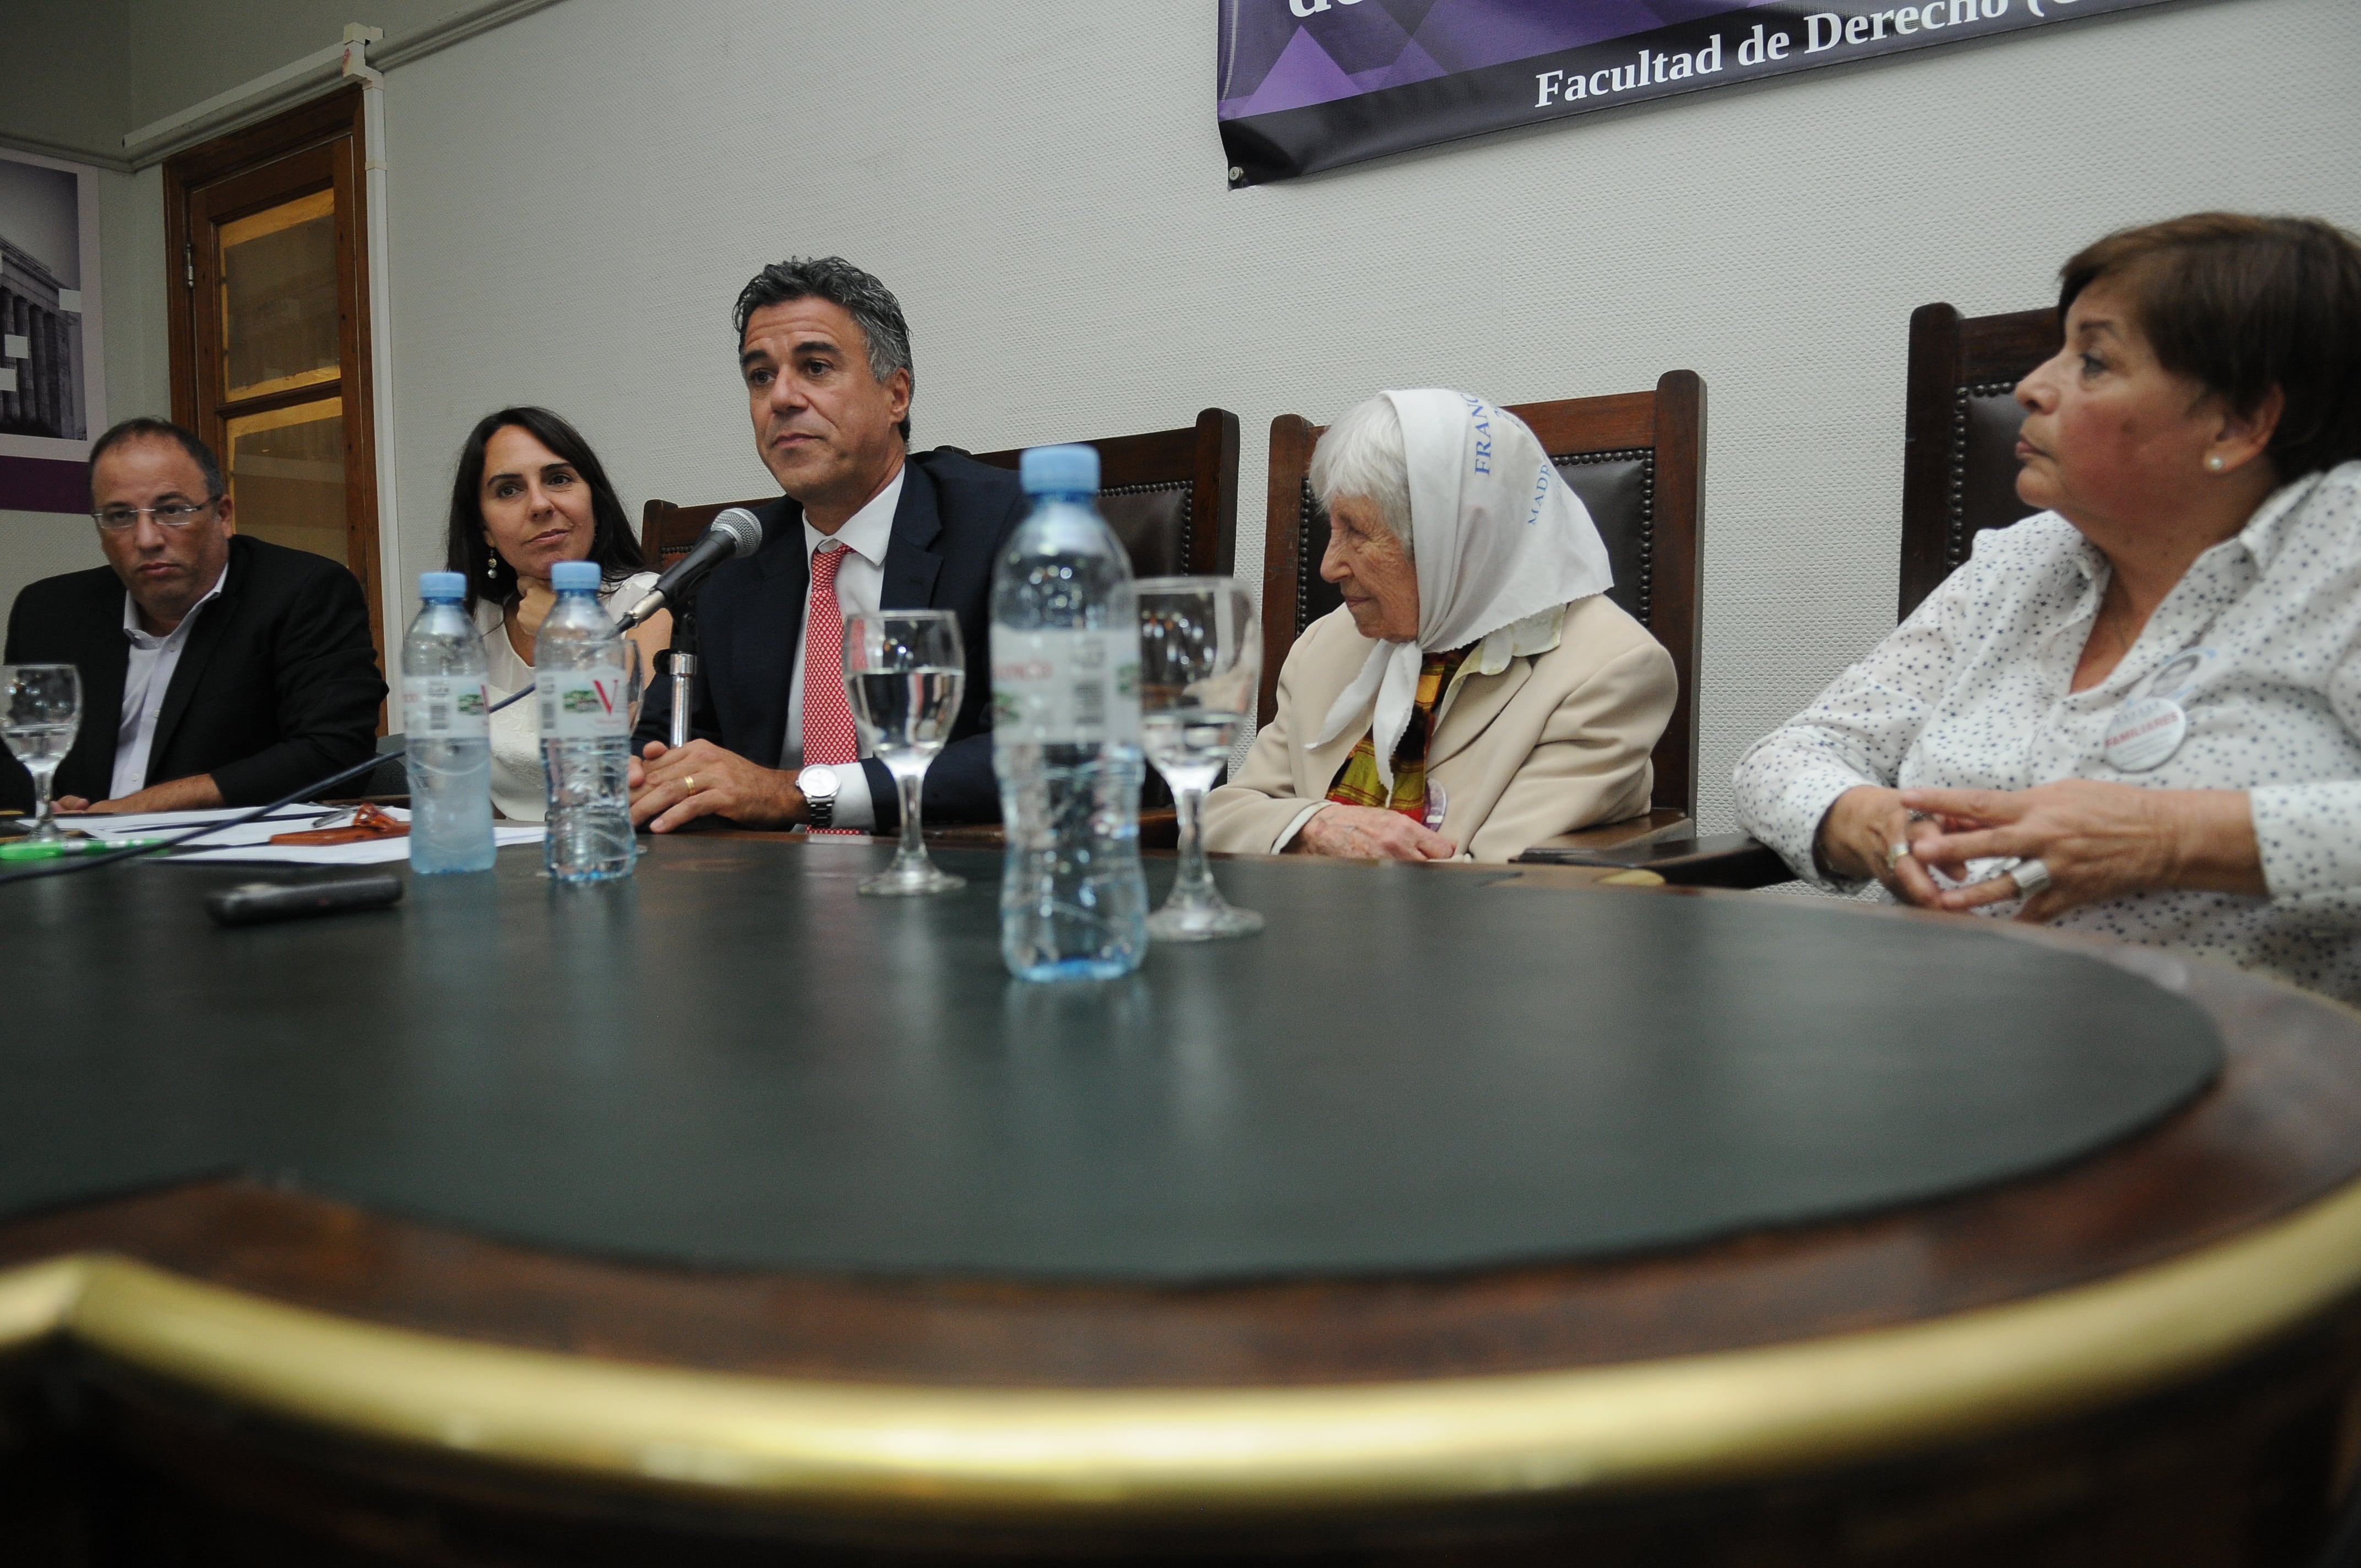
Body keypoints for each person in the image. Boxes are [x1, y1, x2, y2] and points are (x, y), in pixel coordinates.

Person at [1734, 213, 2361, 1000]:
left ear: (2238, 424)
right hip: (1930, 1023)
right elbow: (1785, 756)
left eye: (2092, 361)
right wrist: (1865, 819)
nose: (2031, 385)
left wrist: (2171, 837)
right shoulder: (2024, 560)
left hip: (2226, 1051)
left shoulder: (2340, 553)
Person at [628, 257, 1026, 835]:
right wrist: (643, 776)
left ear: (896, 394)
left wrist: (794, 793)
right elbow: (667, 739)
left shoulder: (1007, 525)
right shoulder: (735, 559)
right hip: (763, 881)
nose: (782, 398)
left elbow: (1047, 743)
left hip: (943, 870)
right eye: (760, 376)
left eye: (815, 367)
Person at [1202, 390, 1676, 863]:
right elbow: (1220, 818)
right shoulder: (1326, 643)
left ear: (1449, 542)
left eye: (1357, 532)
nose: (1329, 567)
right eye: (1333, 527)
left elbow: (1504, 882)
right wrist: (1313, 827)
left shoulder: (1609, 673)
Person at [1, 417, 383, 815]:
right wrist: (46, 805)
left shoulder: (303, 592)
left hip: (224, 847)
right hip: (73, 844)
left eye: (172, 510)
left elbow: (336, 754)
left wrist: (146, 806)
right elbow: (13, 756)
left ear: (224, 515)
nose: (147, 539)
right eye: (120, 516)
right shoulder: (49, 610)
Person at [442, 406, 670, 821]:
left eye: (559, 479)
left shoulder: (648, 604)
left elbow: (635, 765)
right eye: (508, 490)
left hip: (610, 841)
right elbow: (458, 786)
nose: (540, 504)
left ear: (594, 502)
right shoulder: (469, 626)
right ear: (485, 530)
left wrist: (564, 631)